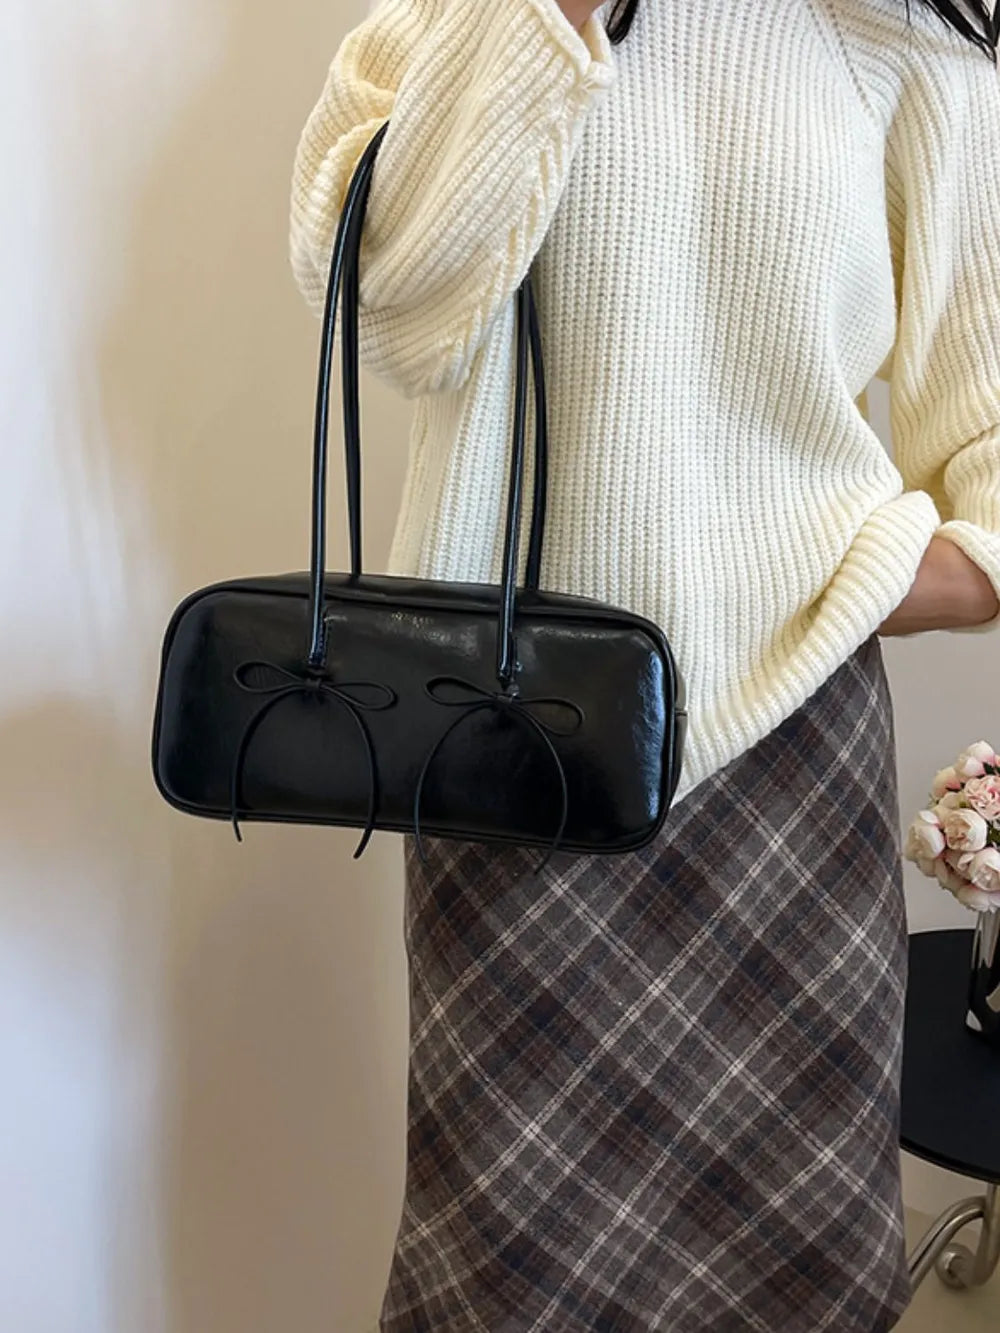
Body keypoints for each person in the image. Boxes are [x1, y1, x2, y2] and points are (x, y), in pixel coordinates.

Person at [289, 0, 1000, 1327]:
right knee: (508, 1266)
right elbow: (392, 315)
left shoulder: (905, 36)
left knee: (790, 1261)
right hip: (512, 748)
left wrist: (858, 574)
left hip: (791, 759)